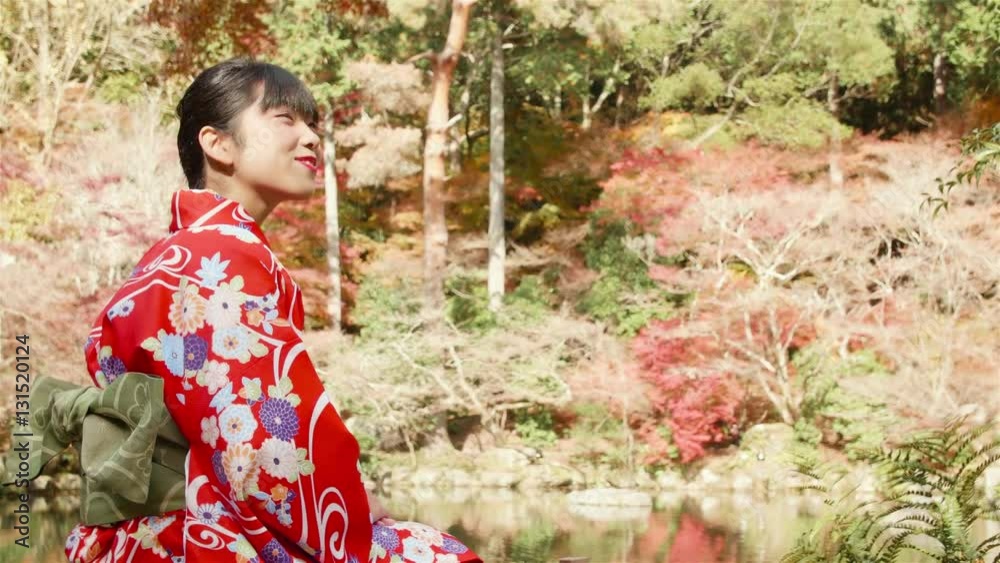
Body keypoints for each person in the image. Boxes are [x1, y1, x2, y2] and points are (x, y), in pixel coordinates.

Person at [65, 57, 482, 563]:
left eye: (312, 124)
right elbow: (260, 444)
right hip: (197, 534)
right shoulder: (214, 256)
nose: (311, 138)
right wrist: (345, 508)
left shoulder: (185, 252)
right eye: (286, 119)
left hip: (157, 530)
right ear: (218, 144)